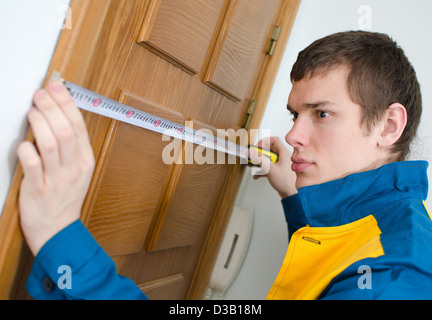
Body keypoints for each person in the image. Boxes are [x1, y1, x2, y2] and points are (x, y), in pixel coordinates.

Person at [18, 30, 431, 300]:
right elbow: (333, 251)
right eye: (294, 115)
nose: (292, 136)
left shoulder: (395, 279)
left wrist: (61, 238)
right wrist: (294, 199)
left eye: (321, 114)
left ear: (388, 125)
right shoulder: (379, 219)